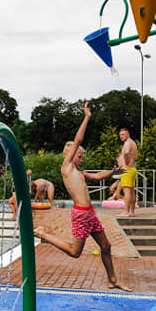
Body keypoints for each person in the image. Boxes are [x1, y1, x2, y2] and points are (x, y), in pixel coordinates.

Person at [35, 101, 131, 291]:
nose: (81, 158)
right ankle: (43, 234)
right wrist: (87, 117)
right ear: (69, 155)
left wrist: (115, 173)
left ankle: (112, 280)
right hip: (80, 214)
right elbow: (77, 140)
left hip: (90, 213)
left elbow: (96, 176)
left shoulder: (79, 172)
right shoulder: (67, 167)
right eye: (79, 156)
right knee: (74, 252)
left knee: (106, 246)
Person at [117, 127, 139, 216]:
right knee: (132, 191)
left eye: (123, 134)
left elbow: (126, 152)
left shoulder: (128, 143)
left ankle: (126, 211)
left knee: (127, 191)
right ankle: (132, 212)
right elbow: (136, 156)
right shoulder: (133, 143)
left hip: (127, 170)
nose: (121, 136)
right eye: (120, 135)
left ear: (128, 134)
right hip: (132, 169)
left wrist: (125, 162)